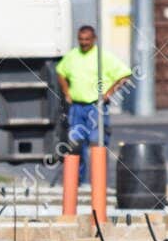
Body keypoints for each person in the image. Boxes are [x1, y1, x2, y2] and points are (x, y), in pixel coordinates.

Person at [55, 24, 131, 183]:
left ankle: (98, 184)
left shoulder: (103, 57)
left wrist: (109, 93)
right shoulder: (72, 56)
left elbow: (124, 75)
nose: (84, 43)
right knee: (75, 146)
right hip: (77, 107)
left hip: (96, 107)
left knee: (97, 144)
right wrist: (66, 92)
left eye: (87, 40)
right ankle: (77, 182)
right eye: (81, 40)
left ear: (94, 39)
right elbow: (60, 72)